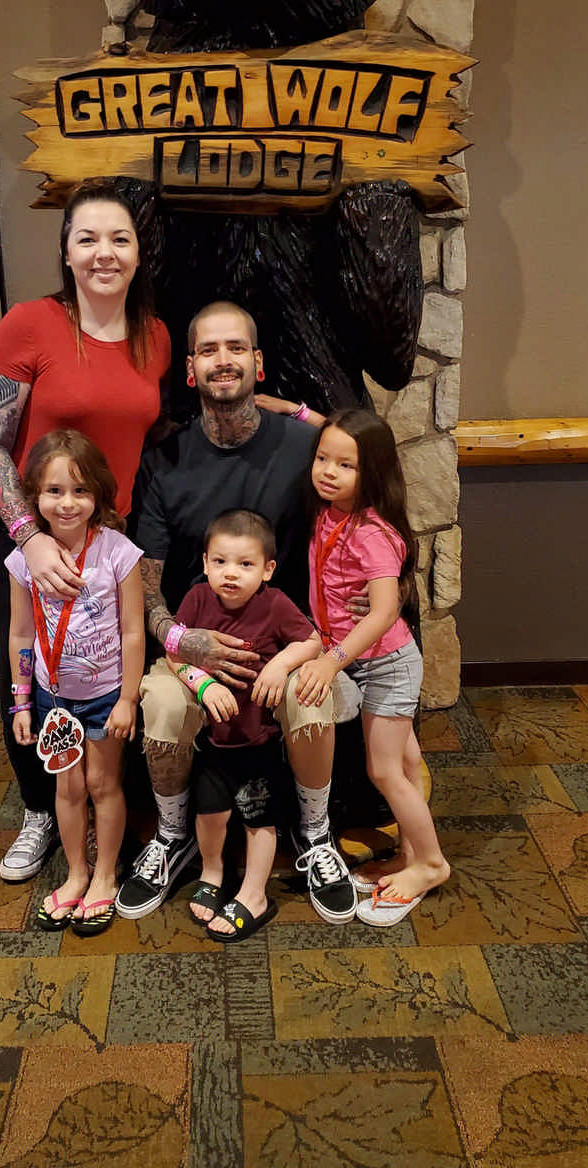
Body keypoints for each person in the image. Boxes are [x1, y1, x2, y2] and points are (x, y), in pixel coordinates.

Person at [115, 300, 360, 925]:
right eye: (207, 350)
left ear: (257, 362)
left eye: (235, 348)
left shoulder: (306, 447)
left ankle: (314, 832)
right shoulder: (165, 459)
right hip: (194, 640)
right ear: (191, 370)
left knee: (311, 697)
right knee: (166, 704)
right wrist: (178, 638)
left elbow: (371, 481)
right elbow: (143, 575)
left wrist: (380, 583)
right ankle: (172, 837)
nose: (222, 360)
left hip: (288, 644)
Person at [0, 180, 170, 884]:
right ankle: (38, 808)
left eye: (119, 238)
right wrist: (28, 536)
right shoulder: (28, 324)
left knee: (112, 674)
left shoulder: (156, 337)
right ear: (65, 251)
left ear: (140, 252)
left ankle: (112, 806)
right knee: (32, 672)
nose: (103, 253)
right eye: (87, 238)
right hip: (30, 529)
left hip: (109, 539)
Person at [295, 409, 451, 926]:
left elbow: (385, 611)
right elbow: (340, 430)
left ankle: (430, 863)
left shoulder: (369, 532)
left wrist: (332, 660)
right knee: (405, 766)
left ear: (373, 471)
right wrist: (291, 411)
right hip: (367, 660)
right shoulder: (333, 512)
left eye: (345, 465)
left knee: (383, 769)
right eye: (322, 459)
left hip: (385, 664)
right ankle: (411, 853)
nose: (328, 471)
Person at [5, 430, 144, 936]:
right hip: (53, 700)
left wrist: (128, 698)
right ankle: (77, 874)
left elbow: (132, 630)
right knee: (67, 790)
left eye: (81, 491)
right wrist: (22, 703)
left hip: (106, 696)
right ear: (34, 498)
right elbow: (20, 632)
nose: (67, 503)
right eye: (54, 491)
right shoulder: (24, 559)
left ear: (99, 495)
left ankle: (105, 874)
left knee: (104, 786)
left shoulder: (118, 553)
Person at [170, 510, 322, 943]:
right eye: (219, 562)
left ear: (268, 569)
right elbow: (174, 652)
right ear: (204, 562)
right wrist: (199, 685)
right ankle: (213, 872)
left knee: (260, 818)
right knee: (210, 813)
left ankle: (255, 893)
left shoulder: (273, 605)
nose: (230, 574)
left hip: (259, 741)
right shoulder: (197, 599)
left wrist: (280, 665)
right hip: (215, 742)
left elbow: (312, 641)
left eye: (244, 564)